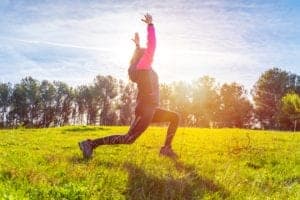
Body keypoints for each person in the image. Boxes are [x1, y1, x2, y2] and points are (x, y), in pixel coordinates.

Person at [79, 14, 180, 159]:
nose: (151, 56)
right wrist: (150, 26)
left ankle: (166, 148)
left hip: (150, 109)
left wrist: (137, 46)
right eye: (146, 54)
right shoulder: (143, 67)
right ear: (144, 58)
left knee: (175, 117)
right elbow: (152, 47)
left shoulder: (141, 67)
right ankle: (90, 144)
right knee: (128, 139)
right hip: (146, 109)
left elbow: (141, 55)